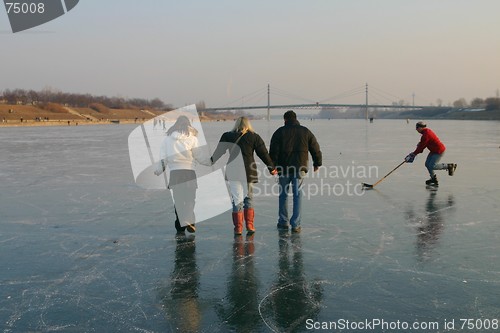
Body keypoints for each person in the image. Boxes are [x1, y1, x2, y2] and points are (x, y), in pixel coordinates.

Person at [211, 116, 276, 235]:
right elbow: (263, 153)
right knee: (249, 199)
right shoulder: (254, 137)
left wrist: (211, 161)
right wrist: (271, 167)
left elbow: (219, 151)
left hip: (233, 172)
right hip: (248, 171)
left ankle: (238, 228)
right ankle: (250, 225)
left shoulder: (227, 136)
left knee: (237, 200)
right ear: (248, 124)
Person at [155, 116, 210, 233]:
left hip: (175, 173)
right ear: (188, 125)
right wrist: (209, 162)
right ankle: (189, 220)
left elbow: (163, 158)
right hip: (189, 172)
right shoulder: (193, 139)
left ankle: (180, 225)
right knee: (190, 198)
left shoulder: (167, 139)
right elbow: (198, 156)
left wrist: (159, 170)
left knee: (178, 199)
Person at [269, 110, 322, 233]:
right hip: (300, 168)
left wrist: (272, 167)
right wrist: (317, 163)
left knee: (283, 195)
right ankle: (296, 224)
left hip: (283, 168)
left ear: (285, 120)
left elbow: (273, 151)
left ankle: (283, 222)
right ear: (296, 118)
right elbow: (315, 147)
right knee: (298, 195)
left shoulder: (279, 132)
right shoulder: (305, 131)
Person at [405, 121, 457, 186]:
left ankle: (449, 166)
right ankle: (433, 179)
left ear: (421, 127)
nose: (416, 129)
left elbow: (421, 147)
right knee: (427, 164)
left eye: (417, 127)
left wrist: (413, 154)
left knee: (432, 166)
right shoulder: (425, 132)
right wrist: (418, 148)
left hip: (439, 151)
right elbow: (423, 144)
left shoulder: (426, 134)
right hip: (433, 151)